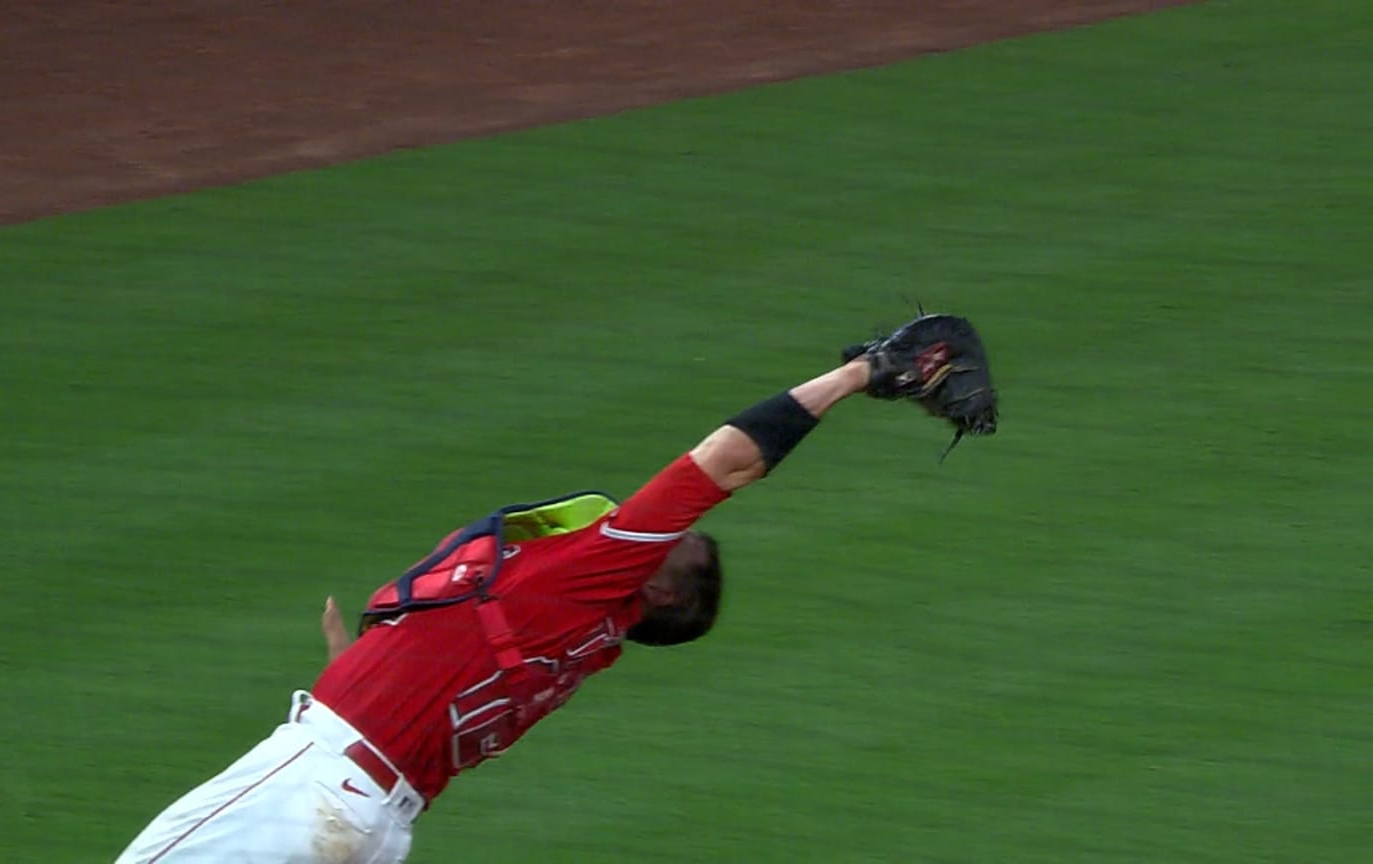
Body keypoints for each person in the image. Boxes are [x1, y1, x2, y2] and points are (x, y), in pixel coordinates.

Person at [112, 347, 923, 863]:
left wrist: (857, 374)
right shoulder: (578, 642)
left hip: (311, 790)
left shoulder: (592, 582)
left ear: (662, 591)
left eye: (678, 544)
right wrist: (358, 671)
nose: (641, 527)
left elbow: (726, 461)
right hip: (370, 830)